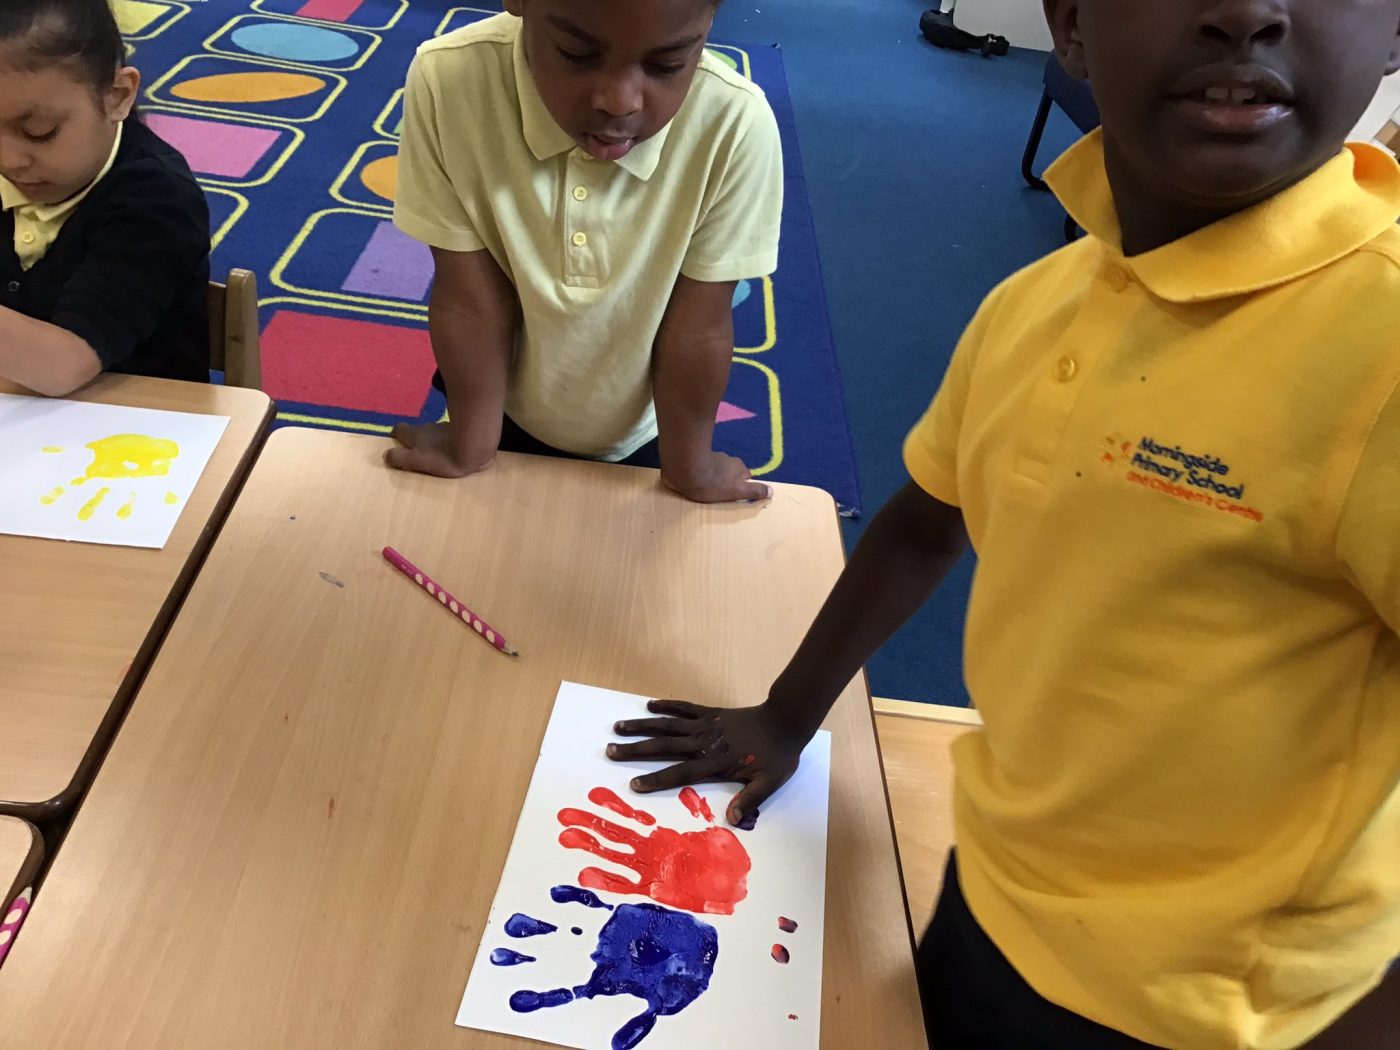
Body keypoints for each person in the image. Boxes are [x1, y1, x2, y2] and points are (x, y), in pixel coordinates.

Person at [606, 0, 1400, 1046]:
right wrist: (788, 715)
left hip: (1222, 1015)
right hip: (996, 891)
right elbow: (923, 525)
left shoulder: (1381, 347)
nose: (1244, 11)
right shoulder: (1036, 303)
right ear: (1070, 26)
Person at [387, 0, 781, 504]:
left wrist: (690, 465)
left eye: (667, 65)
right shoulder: (446, 79)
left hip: (648, 426)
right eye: (576, 53)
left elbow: (699, 327)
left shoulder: (736, 124)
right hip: (496, 403)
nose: (619, 102)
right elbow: (469, 299)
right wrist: (470, 443)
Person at [0, 0, 211, 396]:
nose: (10, 160)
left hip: (145, 418)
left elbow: (64, 364)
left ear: (117, 95)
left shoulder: (157, 200)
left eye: (40, 131)